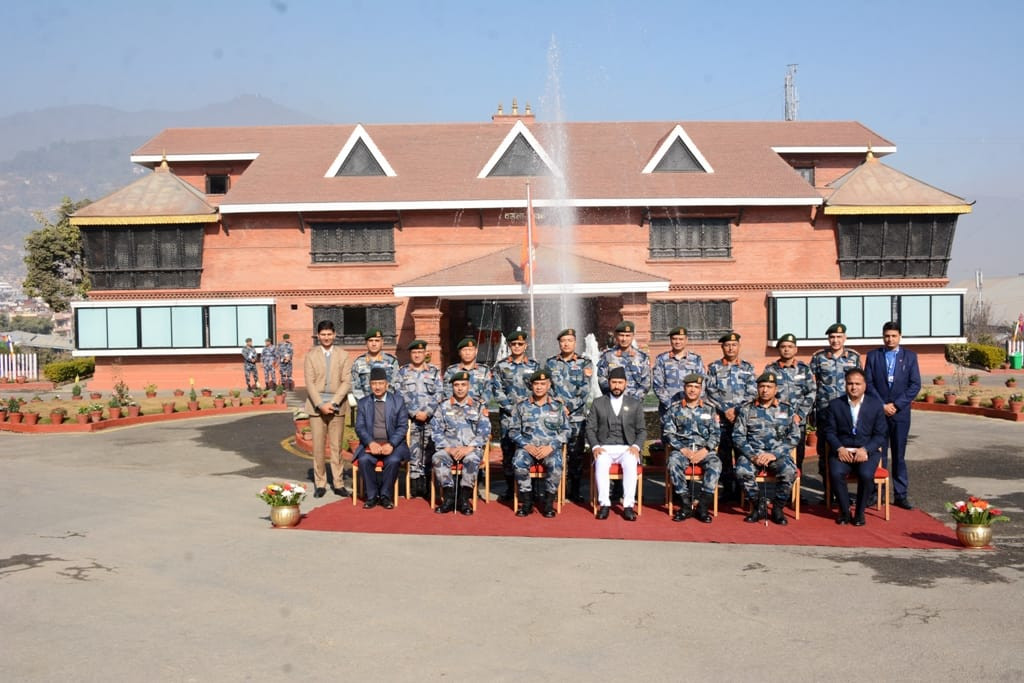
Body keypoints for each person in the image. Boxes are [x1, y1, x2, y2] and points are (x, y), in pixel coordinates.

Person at [864, 321, 921, 510]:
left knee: (899, 455)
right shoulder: (873, 356)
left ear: (900, 336)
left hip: (900, 413)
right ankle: (875, 493)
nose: (890, 339)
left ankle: (900, 494)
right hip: (879, 413)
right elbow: (868, 383)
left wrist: (896, 405)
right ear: (883, 336)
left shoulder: (910, 357)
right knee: (878, 454)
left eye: (894, 336)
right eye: (887, 336)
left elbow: (915, 385)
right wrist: (882, 405)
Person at [821, 368, 888, 525]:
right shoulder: (835, 405)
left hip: (866, 452)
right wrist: (839, 448)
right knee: (836, 473)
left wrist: (866, 449)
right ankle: (844, 511)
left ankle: (859, 513)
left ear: (864, 385)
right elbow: (829, 432)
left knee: (866, 475)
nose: (853, 387)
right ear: (845, 385)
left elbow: (880, 435)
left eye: (857, 384)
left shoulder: (875, 405)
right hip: (842, 451)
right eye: (850, 383)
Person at [732, 371, 801, 525]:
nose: (765, 390)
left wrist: (774, 454)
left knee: (789, 472)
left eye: (769, 387)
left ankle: (778, 508)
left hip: (777, 454)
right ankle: (758, 505)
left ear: (776, 389)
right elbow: (738, 436)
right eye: (762, 386)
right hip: (753, 454)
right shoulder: (746, 409)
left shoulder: (786, 409)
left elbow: (794, 436)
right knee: (741, 471)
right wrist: (753, 456)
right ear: (757, 388)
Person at [586, 367, 646, 521]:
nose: (617, 386)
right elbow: (590, 428)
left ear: (625, 383)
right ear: (609, 383)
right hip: (604, 447)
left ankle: (628, 506)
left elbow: (642, 430)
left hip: (627, 447)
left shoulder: (634, 404)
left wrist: (636, 447)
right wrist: (595, 446)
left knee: (631, 462)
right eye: (614, 382)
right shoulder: (598, 403)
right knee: (601, 462)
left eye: (620, 382)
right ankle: (604, 504)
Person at [510, 369, 570, 518]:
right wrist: (526, 445)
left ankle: (549, 503)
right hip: (527, 448)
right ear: (531, 385)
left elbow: (567, 431)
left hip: (549, 448)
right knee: (518, 462)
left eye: (543, 384)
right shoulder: (521, 406)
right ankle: (527, 502)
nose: (539, 387)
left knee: (556, 464)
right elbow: (513, 431)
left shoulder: (557, 406)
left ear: (549, 385)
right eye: (536, 383)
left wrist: (551, 446)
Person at [810, 323, 861, 495]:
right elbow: (811, 384)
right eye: (832, 337)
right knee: (824, 451)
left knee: (847, 447)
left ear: (845, 338)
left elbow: (860, 384)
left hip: (848, 412)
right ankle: (828, 491)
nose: (835, 340)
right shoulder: (819, 357)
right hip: (825, 412)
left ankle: (843, 490)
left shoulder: (854, 357)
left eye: (839, 337)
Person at [303, 320, 353, 498]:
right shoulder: (310, 356)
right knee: (318, 447)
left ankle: (338, 483)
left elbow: (347, 381)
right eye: (323, 334)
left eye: (329, 334)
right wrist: (320, 405)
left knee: (336, 447)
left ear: (334, 334)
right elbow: (309, 383)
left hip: (337, 406)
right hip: (316, 407)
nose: (326, 337)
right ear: (318, 336)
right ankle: (320, 483)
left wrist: (334, 402)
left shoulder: (343, 355)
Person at [661, 374, 721, 523]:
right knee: (673, 462)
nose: (693, 390)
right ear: (684, 388)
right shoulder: (674, 409)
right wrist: (683, 450)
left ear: (701, 390)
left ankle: (702, 506)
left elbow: (716, 434)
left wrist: (705, 450)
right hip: (682, 450)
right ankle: (686, 505)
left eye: (696, 387)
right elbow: (668, 433)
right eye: (689, 386)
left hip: (704, 450)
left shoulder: (709, 410)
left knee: (715, 464)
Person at [704, 332, 757, 500]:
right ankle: (727, 489)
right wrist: (726, 409)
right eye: (727, 345)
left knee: (742, 453)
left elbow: (752, 392)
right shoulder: (714, 367)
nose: (731, 348)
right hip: (722, 419)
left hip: (742, 420)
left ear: (739, 346)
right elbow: (710, 391)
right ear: (722, 347)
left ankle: (742, 491)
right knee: (724, 455)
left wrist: (737, 410)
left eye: (734, 345)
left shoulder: (748, 368)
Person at [431, 371, 491, 515]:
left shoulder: (478, 406)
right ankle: (449, 497)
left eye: (463, 385)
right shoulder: (443, 406)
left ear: (468, 386)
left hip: (471, 449)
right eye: (456, 385)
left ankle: (464, 499)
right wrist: (449, 449)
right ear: (452, 387)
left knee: (472, 459)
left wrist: (469, 448)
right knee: (437, 457)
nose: (459, 388)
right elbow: (436, 431)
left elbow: (484, 432)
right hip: (449, 448)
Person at [545, 327, 594, 504]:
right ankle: (556, 488)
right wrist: (559, 407)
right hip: (555, 416)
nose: (566, 344)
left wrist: (569, 407)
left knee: (576, 454)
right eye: (563, 341)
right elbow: (546, 388)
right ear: (559, 343)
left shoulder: (584, 363)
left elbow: (585, 390)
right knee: (555, 452)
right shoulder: (551, 363)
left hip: (576, 417)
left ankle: (575, 490)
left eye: (569, 341)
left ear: (575, 343)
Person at [491, 327, 540, 503]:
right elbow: (497, 390)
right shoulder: (501, 366)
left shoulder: (534, 366)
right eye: (514, 344)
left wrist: (529, 409)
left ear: (525, 345)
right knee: (508, 451)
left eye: (520, 344)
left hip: (529, 417)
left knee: (530, 449)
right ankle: (511, 488)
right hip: (509, 416)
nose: (517, 346)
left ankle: (532, 489)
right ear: (509, 346)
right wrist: (511, 409)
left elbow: (539, 388)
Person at [353, 367, 411, 509]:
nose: (377, 387)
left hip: (393, 445)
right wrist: (370, 443)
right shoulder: (363, 403)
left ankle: (385, 496)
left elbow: (402, 426)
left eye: (380, 383)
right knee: (364, 460)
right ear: (370, 385)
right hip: (371, 445)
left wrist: (391, 444)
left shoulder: (398, 401)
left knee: (393, 460)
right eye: (374, 384)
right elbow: (360, 427)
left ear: (387, 384)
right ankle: (372, 496)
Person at [395, 339, 443, 498]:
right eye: (414, 352)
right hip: (411, 419)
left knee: (430, 449)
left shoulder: (434, 372)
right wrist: (414, 412)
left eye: (420, 352)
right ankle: (415, 485)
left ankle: (428, 485)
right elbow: (399, 394)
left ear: (425, 353)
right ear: (410, 354)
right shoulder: (403, 372)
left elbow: (439, 394)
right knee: (413, 450)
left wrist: (427, 412)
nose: (417, 355)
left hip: (430, 418)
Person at [764, 333, 816, 471]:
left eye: (790, 346)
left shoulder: (804, 369)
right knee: (777, 453)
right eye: (783, 346)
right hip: (776, 420)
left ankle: (797, 483)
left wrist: (800, 415)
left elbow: (811, 393)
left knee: (799, 455)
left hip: (798, 420)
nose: (786, 349)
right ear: (778, 349)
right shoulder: (771, 369)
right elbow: (765, 393)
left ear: (796, 349)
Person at [653, 326, 704, 415]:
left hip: (691, 408)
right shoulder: (662, 359)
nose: (677, 342)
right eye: (674, 339)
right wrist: (671, 405)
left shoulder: (695, 359)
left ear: (686, 340)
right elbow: (658, 385)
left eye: (681, 339)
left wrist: (693, 404)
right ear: (670, 340)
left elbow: (702, 383)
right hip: (668, 408)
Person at [597, 320, 651, 403]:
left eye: (628, 335)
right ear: (616, 335)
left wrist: (635, 400)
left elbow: (646, 382)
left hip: (635, 403)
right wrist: (614, 396)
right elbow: (602, 378)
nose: (624, 339)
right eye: (621, 335)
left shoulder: (642, 357)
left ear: (633, 336)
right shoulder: (607, 356)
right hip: (613, 402)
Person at [351, 329, 400, 400]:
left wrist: (388, 401)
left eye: (377, 341)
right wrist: (365, 402)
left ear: (382, 342)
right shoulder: (358, 362)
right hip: (366, 403)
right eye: (371, 341)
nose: (374, 344)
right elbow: (355, 386)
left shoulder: (392, 361)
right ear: (366, 343)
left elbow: (396, 384)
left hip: (388, 402)